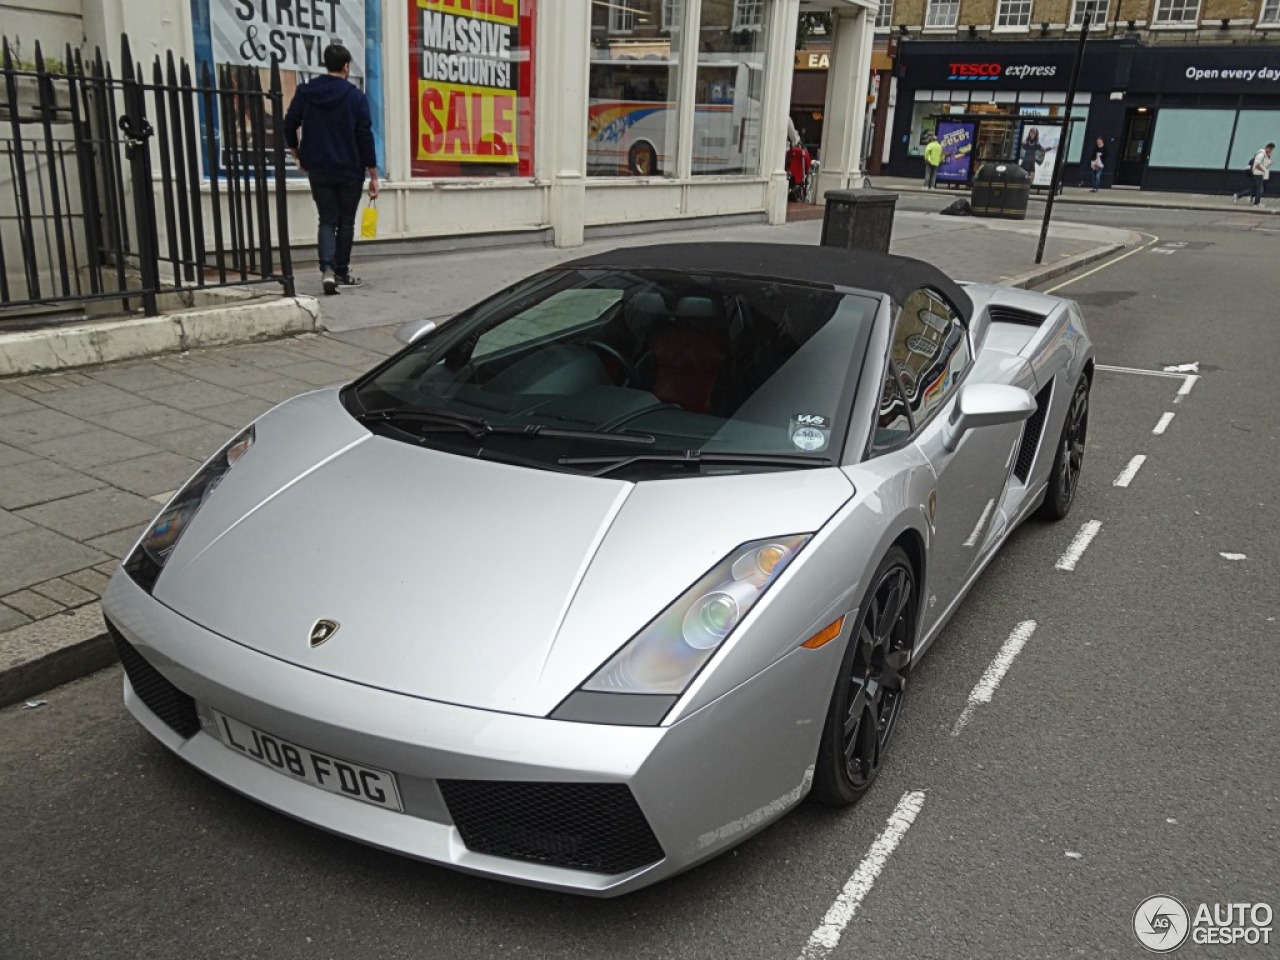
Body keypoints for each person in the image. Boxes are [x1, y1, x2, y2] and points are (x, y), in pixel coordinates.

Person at [285, 44, 379, 296]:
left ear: (326, 64)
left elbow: (289, 122)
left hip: (319, 168)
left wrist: (295, 152)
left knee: (326, 219)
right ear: (346, 67)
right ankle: (340, 271)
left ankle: (326, 269)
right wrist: (373, 174)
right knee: (346, 221)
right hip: (350, 169)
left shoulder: (306, 92)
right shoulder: (356, 98)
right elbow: (364, 136)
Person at [1234, 142, 1274, 207]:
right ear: (1267, 148)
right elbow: (1257, 165)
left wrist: (1269, 164)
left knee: (1254, 189)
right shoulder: (1261, 155)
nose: (1271, 151)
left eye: (1272, 150)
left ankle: (1238, 195)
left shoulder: (1265, 155)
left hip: (1260, 174)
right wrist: (1264, 170)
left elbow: (1264, 164)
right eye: (1270, 149)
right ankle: (1256, 203)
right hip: (1257, 174)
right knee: (1260, 189)